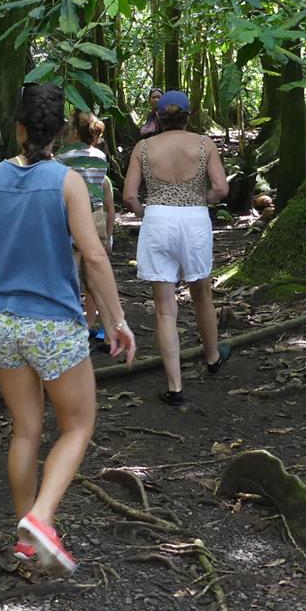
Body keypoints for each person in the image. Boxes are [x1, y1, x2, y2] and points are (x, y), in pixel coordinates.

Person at [0, 83, 137, 573]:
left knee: (25, 430)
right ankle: (43, 517)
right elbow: (93, 255)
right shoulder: (67, 181)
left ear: (19, 126)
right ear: (58, 133)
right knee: (76, 425)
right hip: (51, 324)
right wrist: (116, 320)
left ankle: (26, 536)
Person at [124, 90, 229, 406]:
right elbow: (221, 188)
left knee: (165, 308)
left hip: (158, 221)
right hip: (194, 220)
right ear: (189, 114)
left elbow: (129, 195)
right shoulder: (203, 144)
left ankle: (175, 387)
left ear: (157, 115)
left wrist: (149, 213)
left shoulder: (143, 147)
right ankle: (212, 357)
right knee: (202, 295)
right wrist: (200, 201)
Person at [56, 109, 116, 348]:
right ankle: (110, 330)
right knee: (96, 276)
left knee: (69, 274)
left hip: (70, 216)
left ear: (72, 130)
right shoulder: (100, 157)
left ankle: (71, 330)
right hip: (96, 216)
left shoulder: (62, 156)